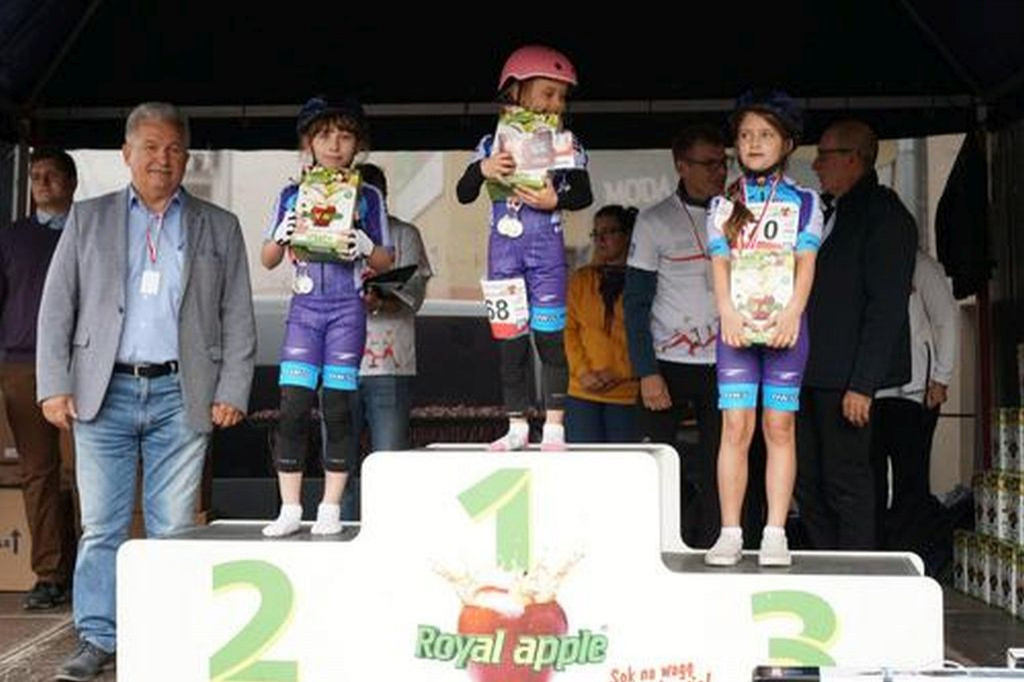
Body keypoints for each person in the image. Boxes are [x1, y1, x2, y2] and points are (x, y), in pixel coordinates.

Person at [36, 102, 256, 680]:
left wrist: (233, 387)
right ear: (126, 153)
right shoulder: (88, 219)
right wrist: (53, 385)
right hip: (101, 391)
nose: (163, 158)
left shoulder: (218, 225)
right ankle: (97, 638)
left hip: (183, 392)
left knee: (174, 528)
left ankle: (166, 638)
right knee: (101, 527)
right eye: (151, 147)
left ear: (187, 156)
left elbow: (237, 313)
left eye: (175, 148)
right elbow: (57, 307)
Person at [260, 96, 391, 538]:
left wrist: (366, 246)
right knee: (293, 406)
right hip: (304, 309)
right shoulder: (290, 194)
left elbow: (387, 259)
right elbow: (267, 259)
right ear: (308, 143)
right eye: (324, 135)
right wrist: (282, 235)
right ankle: (290, 508)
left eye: (345, 136)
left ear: (358, 144)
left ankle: (331, 507)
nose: (335, 145)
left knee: (337, 407)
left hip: (347, 310)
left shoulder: (369, 195)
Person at [703, 90, 822, 567]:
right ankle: (730, 532)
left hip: (784, 329)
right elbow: (719, 264)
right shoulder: (722, 203)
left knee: (779, 426)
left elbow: (806, 263)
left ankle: (775, 532)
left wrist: (793, 313)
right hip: (736, 329)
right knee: (735, 427)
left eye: (766, 135)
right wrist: (726, 313)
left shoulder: (806, 201)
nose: (753, 143)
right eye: (746, 135)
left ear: (787, 143)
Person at [456, 44, 593, 451]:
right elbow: (463, 192)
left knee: (549, 340)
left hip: (547, 255)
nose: (556, 103)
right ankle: (516, 426)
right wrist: (483, 169)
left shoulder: (566, 143)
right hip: (503, 255)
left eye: (562, 96)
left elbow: (583, 194)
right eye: (548, 93)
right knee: (510, 344)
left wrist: (556, 199)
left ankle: (554, 427)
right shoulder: (490, 143)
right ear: (514, 91)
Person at [796, 119, 917, 550]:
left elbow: (886, 308)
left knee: (845, 479)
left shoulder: (885, 216)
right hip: (805, 371)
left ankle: (855, 568)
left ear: (854, 160)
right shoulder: (826, 210)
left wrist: (863, 384)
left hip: (846, 378)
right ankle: (825, 563)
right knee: (806, 479)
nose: (815, 164)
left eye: (824, 155)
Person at [624, 125, 727, 547]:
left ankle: (719, 544)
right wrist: (646, 371)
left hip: (727, 361)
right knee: (658, 464)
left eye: (724, 162)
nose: (719, 171)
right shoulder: (654, 220)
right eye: (708, 163)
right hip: (667, 362)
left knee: (724, 464)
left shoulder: (739, 215)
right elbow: (635, 303)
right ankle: (659, 545)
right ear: (681, 166)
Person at [0, 147, 78, 611]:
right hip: (23, 363)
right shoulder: (12, 238)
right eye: (35, 177)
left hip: (82, 365)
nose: (42, 183)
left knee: (87, 472)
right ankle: (49, 575)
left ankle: (92, 574)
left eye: (51, 175)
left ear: (72, 182)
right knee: (39, 473)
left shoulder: (90, 231)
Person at [342, 162, 432, 519]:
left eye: (373, 196)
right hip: (338, 364)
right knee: (340, 466)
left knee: (389, 464)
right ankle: (342, 530)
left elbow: (414, 295)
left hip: (390, 364)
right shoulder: (331, 234)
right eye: (359, 194)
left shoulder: (404, 234)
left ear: (384, 197)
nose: (365, 203)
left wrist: (379, 300)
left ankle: (387, 531)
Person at [870, 247, 956, 548]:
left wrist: (942, 377)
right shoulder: (866, 258)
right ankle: (878, 550)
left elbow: (946, 318)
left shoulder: (920, 264)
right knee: (871, 480)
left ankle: (911, 551)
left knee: (911, 478)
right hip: (868, 391)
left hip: (915, 391)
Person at [564, 205, 639, 443]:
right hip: (582, 391)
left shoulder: (642, 281)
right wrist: (583, 372)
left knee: (624, 461)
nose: (601, 239)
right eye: (596, 233)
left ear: (627, 235)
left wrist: (622, 372)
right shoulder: (581, 279)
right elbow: (569, 331)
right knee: (584, 460)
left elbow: (649, 334)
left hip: (627, 392)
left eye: (609, 232)